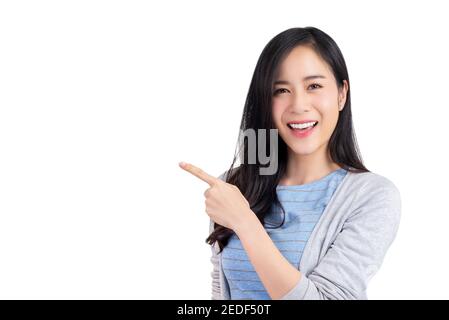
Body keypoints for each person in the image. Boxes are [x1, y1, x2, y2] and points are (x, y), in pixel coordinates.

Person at [179, 26, 401, 300]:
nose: (298, 105)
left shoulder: (371, 196)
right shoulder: (234, 186)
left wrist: (245, 222)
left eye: (314, 86)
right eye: (281, 90)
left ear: (342, 93)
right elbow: (221, 290)